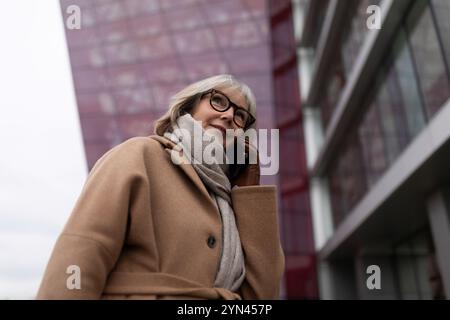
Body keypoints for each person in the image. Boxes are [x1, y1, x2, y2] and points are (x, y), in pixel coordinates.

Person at [36, 74, 285, 300]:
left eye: (241, 116)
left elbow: (262, 294)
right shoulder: (141, 155)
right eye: (219, 101)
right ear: (189, 106)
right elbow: (85, 249)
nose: (230, 115)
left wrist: (250, 190)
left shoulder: (232, 202)